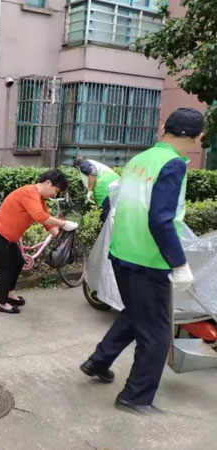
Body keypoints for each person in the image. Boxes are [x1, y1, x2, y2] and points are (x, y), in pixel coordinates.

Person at [79, 108, 203, 414]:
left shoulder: (139, 160)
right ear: (196, 137)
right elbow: (161, 219)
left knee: (135, 314)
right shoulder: (173, 164)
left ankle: (98, 362)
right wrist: (179, 264)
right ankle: (135, 397)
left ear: (164, 129)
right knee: (157, 333)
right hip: (149, 260)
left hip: (121, 253)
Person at [0, 169, 79, 314]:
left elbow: (47, 222)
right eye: (55, 190)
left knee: (18, 262)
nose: (54, 195)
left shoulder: (40, 199)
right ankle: (0, 302)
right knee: (7, 268)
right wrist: (64, 224)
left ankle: (9, 294)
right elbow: (40, 216)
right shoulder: (29, 192)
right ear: (48, 183)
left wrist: (62, 237)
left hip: (8, 238)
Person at [74, 158, 120, 223]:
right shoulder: (96, 163)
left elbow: (92, 171)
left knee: (108, 218)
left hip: (106, 189)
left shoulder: (83, 164)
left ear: (77, 166)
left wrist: (90, 191)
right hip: (117, 184)